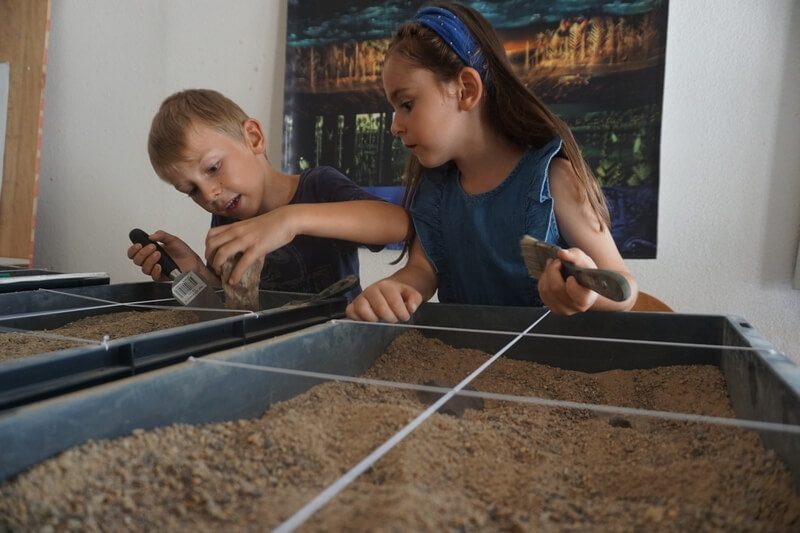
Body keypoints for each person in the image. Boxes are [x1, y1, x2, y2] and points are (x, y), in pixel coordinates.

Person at [346, 2, 638, 321]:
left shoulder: (553, 178)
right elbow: (421, 271)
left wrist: (587, 290)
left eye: (406, 104)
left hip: (553, 365)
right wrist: (394, 288)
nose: (394, 125)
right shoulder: (434, 191)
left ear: (467, 90)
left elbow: (625, 289)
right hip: (459, 361)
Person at [127, 89, 409, 301]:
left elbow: (397, 224)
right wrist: (199, 274)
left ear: (253, 138)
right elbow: (233, 302)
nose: (209, 194)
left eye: (212, 168)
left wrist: (290, 219)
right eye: (191, 191)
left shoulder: (319, 186)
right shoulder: (225, 218)